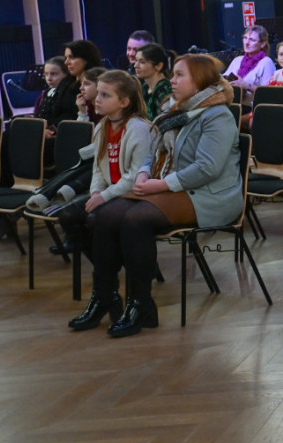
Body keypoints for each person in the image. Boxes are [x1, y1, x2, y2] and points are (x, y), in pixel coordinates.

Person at [69, 54, 240, 337]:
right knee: (104, 215)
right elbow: (154, 152)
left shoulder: (217, 115)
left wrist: (159, 185)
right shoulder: (174, 111)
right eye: (173, 74)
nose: (172, 80)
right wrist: (143, 174)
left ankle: (140, 304)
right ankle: (105, 296)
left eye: (180, 75)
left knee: (135, 219)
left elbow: (207, 168)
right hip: (173, 189)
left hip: (208, 196)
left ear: (200, 80)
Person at [52, 71, 152, 271]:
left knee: (95, 218)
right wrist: (96, 192)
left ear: (124, 102)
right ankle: (108, 265)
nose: (97, 99)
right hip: (109, 191)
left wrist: (103, 196)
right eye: (98, 93)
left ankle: (109, 269)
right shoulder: (102, 127)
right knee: (68, 216)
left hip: (133, 194)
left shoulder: (139, 129)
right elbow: (98, 168)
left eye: (105, 95)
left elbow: (135, 176)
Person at [35, 56, 79, 137]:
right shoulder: (47, 92)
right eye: (46, 74)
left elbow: (67, 119)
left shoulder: (71, 93)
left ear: (66, 74)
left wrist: (49, 131)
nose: (49, 78)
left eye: (53, 74)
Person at [133, 44, 173, 119]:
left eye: (142, 62)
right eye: (136, 61)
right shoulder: (144, 87)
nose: (135, 65)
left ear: (159, 66)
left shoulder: (164, 90)